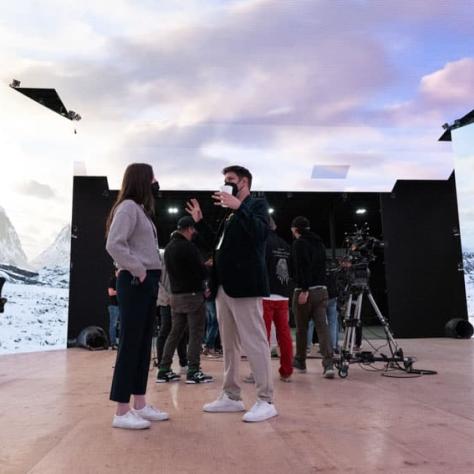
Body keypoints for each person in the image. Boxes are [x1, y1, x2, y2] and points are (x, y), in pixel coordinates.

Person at [186, 165, 277, 423]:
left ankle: (266, 399)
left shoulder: (256, 205)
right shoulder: (229, 215)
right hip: (224, 287)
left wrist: (240, 207)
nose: (226, 183)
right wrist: (200, 222)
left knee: (255, 341)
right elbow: (216, 245)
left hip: (246, 285)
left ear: (245, 182)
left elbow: (260, 233)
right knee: (229, 344)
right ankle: (231, 395)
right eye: (225, 180)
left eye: (231, 180)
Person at [105, 163, 169, 430]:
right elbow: (113, 244)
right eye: (153, 177)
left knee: (144, 344)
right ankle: (121, 411)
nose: (156, 182)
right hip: (134, 281)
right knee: (131, 344)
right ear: (143, 180)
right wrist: (139, 270)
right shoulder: (129, 208)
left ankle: (140, 404)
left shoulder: (140, 210)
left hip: (144, 281)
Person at [157, 216, 213, 384]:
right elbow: (199, 272)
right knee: (196, 333)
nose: (194, 232)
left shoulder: (169, 248)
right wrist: (207, 267)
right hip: (193, 296)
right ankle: (193, 371)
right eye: (193, 229)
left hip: (175, 297)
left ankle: (164, 369)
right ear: (189, 229)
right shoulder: (189, 247)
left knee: (174, 333)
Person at [244, 217, 293, 382]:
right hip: (283, 295)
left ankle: (259, 373)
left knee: (260, 336)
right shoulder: (286, 245)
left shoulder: (262, 243)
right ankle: (286, 371)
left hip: (265, 294)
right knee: (284, 334)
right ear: (275, 226)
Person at [290, 216, 335, 379]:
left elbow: (302, 267)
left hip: (305, 291)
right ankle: (328, 364)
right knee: (323, 328)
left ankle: (300, 362)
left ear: (296, 229)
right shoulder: (320, 243)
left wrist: (304, 289)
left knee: (302, 329)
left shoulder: (299, 243)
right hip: (322, 290)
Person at [155, 251, 188, 376]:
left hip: (179, 298)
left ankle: (184, 362)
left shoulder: (177, 258)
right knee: (165, 329)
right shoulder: (160, 257)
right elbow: (157, 281)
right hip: (166, 301)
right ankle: (161, 364)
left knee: (182, 330)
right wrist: (166, 297)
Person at [107, 271, 120, 349]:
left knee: (121, 325)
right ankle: (113, 343)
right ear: (116, 272)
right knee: (113, 324)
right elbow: (110, 292)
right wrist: (121, 291)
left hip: (121, 305)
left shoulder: (122, 280)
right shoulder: (113, 280)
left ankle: (119, 342)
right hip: (114, 306)